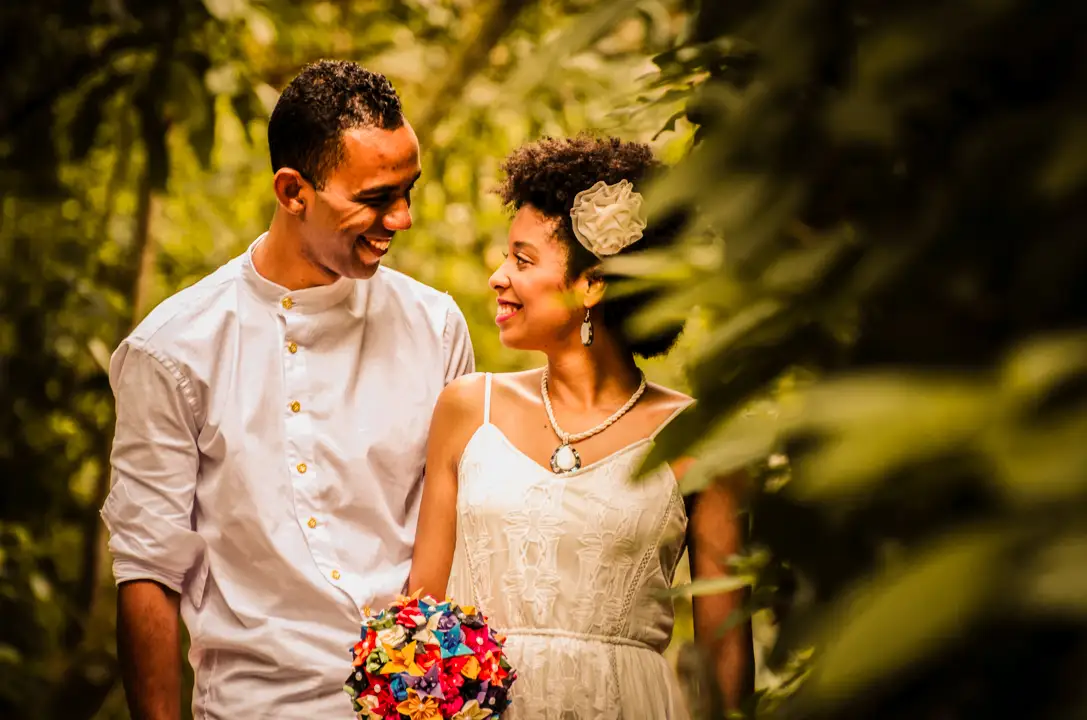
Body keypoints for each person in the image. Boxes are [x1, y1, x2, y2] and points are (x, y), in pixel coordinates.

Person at [101, 60, 475, 719]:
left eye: (409, 190)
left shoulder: (436, 326)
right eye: (376, 198)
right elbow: (147, 572)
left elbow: (466, 532)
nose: (403, 218)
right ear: (293, 190)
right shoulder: (173, 348)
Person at [409, 135, 753, 718]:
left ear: (591, 284)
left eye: (521, 259)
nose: (497, 276)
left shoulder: (696, 440)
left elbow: (727, 656)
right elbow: (420, 615)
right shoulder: (468, 409)